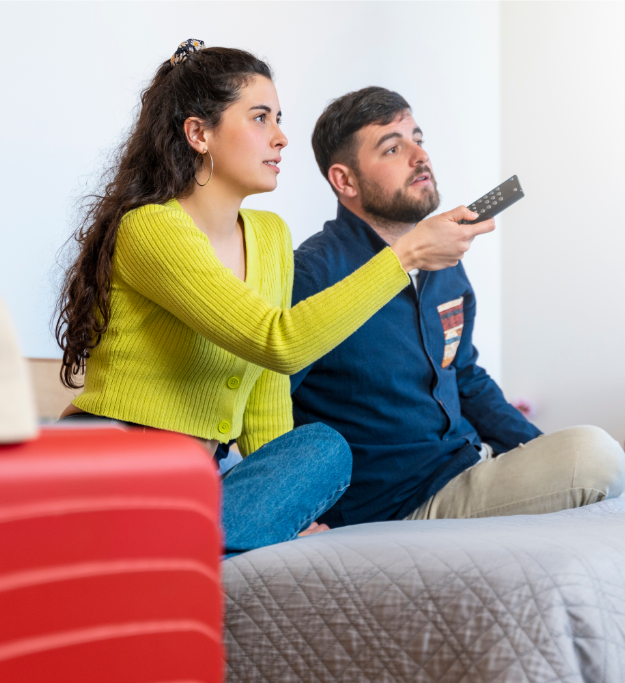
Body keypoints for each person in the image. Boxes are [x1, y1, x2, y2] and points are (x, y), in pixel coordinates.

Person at [54, 43, 494, 553]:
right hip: (120, 473)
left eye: (278, 118)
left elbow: (267, 396)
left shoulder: (268, 236)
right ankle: (159, 544)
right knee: (300, 456)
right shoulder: (151, 229)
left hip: (197, 489)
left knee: (322, 449)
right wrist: (406, 255)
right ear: (199, 134)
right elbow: (278, 343)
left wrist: (292, 510)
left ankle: (183, 545)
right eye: (260, 118)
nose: (281, 138)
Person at [290, 86, 625, 527]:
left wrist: (541, 452)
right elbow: (272, 398)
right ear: (345, 180)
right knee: (597, 455)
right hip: (400, 502)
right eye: (393, 147)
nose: (419, 156)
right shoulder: (314, 273)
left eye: (418, 139)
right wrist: (297, 512)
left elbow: (464, 376)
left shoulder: (444, 261)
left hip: (469, 464)